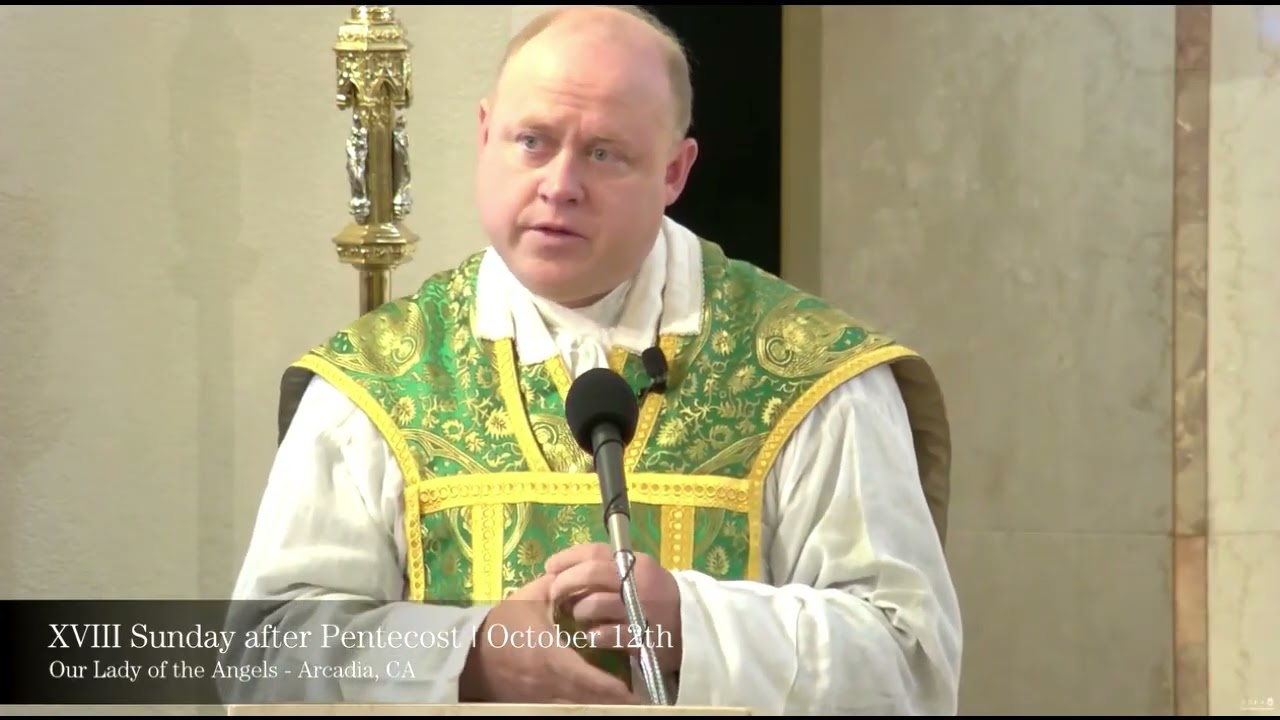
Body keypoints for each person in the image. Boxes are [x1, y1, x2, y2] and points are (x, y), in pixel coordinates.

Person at [225, 4, 962, 715]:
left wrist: (693, 625)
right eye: (532, 141)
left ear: (674, 172)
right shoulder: (378, 379)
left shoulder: (809, 374)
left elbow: (910, 663)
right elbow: (262, 657)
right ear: (485, 134)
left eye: (605, 153)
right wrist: (473, 656)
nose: (560, 185)